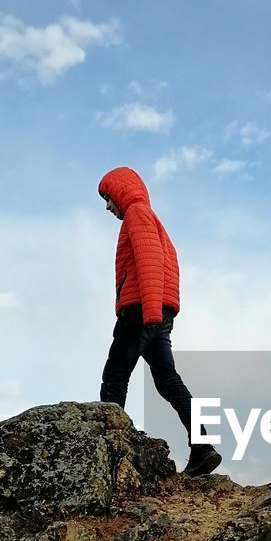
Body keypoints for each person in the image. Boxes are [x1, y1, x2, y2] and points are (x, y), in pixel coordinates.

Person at [97, 166, 221, 477]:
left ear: (120, 193)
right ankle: (203, 448)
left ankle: (108, 457)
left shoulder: (137, 215)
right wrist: (160, 317)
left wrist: (150, 314)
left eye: (108, 198)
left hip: (141, 311)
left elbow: (149, 263)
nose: (108, 206)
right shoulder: (150, 218)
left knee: (114, 377)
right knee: (168, 382)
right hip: (157, 314)